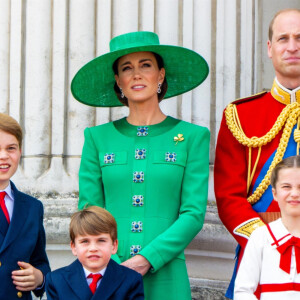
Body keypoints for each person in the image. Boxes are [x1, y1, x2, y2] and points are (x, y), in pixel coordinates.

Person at [71, 31, 210, 300]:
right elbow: (89, 211)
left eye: (145, 65)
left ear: (160, 75)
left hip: (167, 274)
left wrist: (147, 258)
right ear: (118, 81)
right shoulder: (97, 138)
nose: (136, 74)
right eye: (127, 68)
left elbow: (193, 213)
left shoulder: (193, 137)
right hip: (109, 271)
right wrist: (114, 261)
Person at [214, 8, 300, 298]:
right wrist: (267, 241)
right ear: (269, 48)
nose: (292, 47)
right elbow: (228, 196)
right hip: (258, 253)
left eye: (299, 38)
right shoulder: (241, 114)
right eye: (283, 38)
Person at [234, 155, 300, 299]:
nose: (294, 193)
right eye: (286, 187)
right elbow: (243, 291)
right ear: (274, 193)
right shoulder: (261, 237)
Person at [0, 113, 50, 299]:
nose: (3, 156)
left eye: (11, 148)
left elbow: (40, 262)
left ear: (20, 152)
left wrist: (39, 278)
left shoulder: (32, 207)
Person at [45, 206, 144, 300]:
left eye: (101, 240)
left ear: (114, 246)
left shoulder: (131, 280)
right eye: (85, 241)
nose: (93, 248)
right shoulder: (56, 280)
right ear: (74, 247)